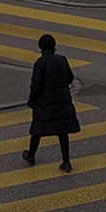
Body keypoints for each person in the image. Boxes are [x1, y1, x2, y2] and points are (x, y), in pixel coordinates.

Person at [21, 33, 80, 172]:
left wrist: (31, 100)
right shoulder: (62, 59)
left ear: (41, 47)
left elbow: (36, 85)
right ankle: (66, 161)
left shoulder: (40, 63)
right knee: (62, 131)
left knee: (37, 129)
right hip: (62, 100)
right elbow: (70, 78)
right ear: (54, 46)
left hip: (45, 102)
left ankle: (31, 155)